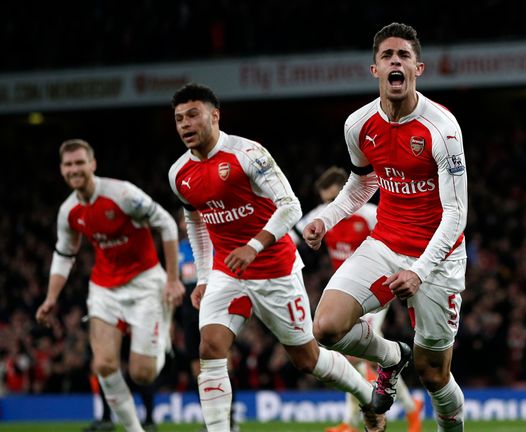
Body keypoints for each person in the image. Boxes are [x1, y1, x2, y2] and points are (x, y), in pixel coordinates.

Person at [168, 83, 377, 432]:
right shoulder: (179, 174)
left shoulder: (249, 154)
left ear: (214, 115)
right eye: (178, 119)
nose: (186, 124)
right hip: (227, 271)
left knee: (307, 358)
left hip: (274, 268)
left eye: (193, 115)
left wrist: (254, 245)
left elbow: (291, 206)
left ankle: (367, 394)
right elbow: (196, 222)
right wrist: (204, 276)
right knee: (210, 347)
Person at [304, 23, 467, 432]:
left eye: (404, 56)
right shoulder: (358, 125)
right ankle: (392, 357)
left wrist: (419, 270)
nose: (396, 61)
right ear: (374, 69)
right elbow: (363, 182)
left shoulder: (442, 130)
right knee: (325, 327)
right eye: (387, 56)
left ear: (419, 68)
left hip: (438, 256)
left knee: (434, 375)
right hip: (385, 243)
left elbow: (456, 213)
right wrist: (327, 217)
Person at [36, 139, 184, 432]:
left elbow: (166, 223)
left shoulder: (123, 194)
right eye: (68, 164)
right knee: (103, 365)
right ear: (62, 170)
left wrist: (172, 279)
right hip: (104, 287)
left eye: (80, 163)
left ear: (93, 164)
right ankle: (134, 430)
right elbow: (65, 254)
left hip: (145, 283)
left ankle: (161, 339)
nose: (74, 169)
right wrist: (51, 297)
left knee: (142, 374)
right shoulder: (69, 211)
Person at [294, 167, 423, 432]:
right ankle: (409, 407)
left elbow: (398, 243)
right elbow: (290, 235)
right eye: (325, 200)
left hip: (376, 290)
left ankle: (353, 420)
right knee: (358, 356)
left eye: (333, 199)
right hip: (345, 293)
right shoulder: (322, 215)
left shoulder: (369, 215)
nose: (329, 206)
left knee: (356, 356)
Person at [177, 211, 239, 432]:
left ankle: (230, 421)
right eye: (183, 222)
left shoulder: (217, 244)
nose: (187, 225)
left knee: (223, 363)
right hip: (189, 313)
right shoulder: (180, 250)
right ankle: (210, 420)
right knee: (197, 370)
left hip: (215, 308)